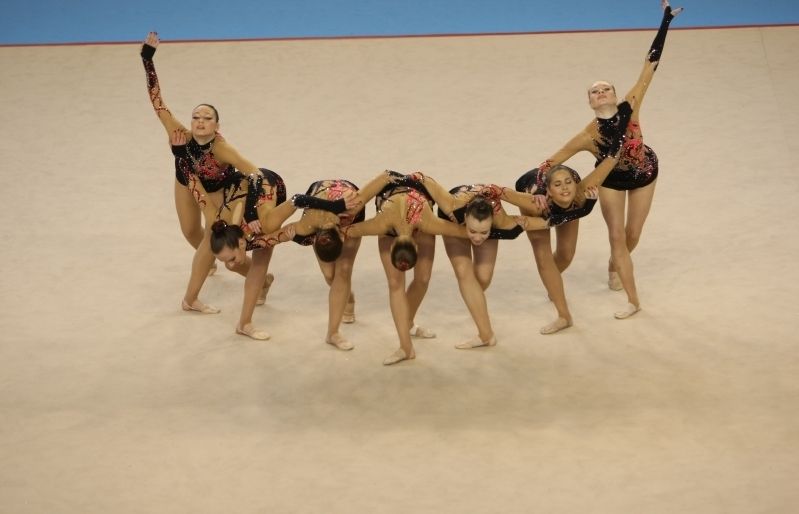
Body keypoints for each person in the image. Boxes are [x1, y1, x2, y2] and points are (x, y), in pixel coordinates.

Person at [530, 1, 682, 320]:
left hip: (644, 172)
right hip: (610, 180)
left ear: (615, 94)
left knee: (633, 234)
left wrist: (665, 23)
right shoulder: (588, 135)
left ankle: (615, 264)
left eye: (606, 89)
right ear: (589, 102)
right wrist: (540, 189)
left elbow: (650, 65)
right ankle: (633, 300)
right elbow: (550, 162)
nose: (600, 92)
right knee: (616, 236)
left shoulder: (631, 105)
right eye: (594, 91)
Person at [140, 31, 269, 311]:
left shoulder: (221, 149)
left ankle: (197, 296)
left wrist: (249, 211)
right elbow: (157, 102)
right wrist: (147, 59)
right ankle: (210, 260)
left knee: (211, 241)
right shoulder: (179, 134)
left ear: (216, 126)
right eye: (196, 117)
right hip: (185, 183)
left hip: (217, 192)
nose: (200, 121)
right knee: (190, 231)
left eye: (207, 118)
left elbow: (255, 172)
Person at [400, 174, 553, 349]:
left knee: (482, 278)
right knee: (464, 274)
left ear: (492, 224)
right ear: (466, 218)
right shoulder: (450, 208)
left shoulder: (502, 223)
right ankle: (486, 335)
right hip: (454, 221)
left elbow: (539, 221)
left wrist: (557, 213)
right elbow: (424, 178)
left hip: (486, 206)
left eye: (484, 233)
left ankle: (476, 307)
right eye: (473, 232)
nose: (478, 238)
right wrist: (398, 180)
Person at [257, 171, 403, 350]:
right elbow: (268, 240)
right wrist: (243, 243)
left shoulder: (353, 206)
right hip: (318, 200)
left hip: (347, 205)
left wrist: (411, 184)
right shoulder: (306, 225)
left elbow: (386, 176)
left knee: (344, 270)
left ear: (342, 237)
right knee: (329, 275)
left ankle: (332, 333)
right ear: (315, 237)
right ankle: (347, 296)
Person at [208, 170, 358, 340]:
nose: (229, 266)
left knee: (261, 260)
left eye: (231, 259)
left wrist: (337, 206)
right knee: (256, 256)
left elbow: (295, 199)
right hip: (246, 195)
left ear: (242, 244)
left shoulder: (267, 224)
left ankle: (244, 323)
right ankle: (248, 315)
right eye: (225, 261)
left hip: (270, 185)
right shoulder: (222, 229)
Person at [342, 177, 472, 365]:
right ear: (391, 246)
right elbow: (348, 230)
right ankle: (406, 347)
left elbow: (463, 231)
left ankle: (407, 323)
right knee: (395, 283)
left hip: (420, 208)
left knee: (423, 278)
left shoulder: (430, 223)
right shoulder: (380, 224)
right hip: (390, 204)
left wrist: (483, 230)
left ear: (417, 247)